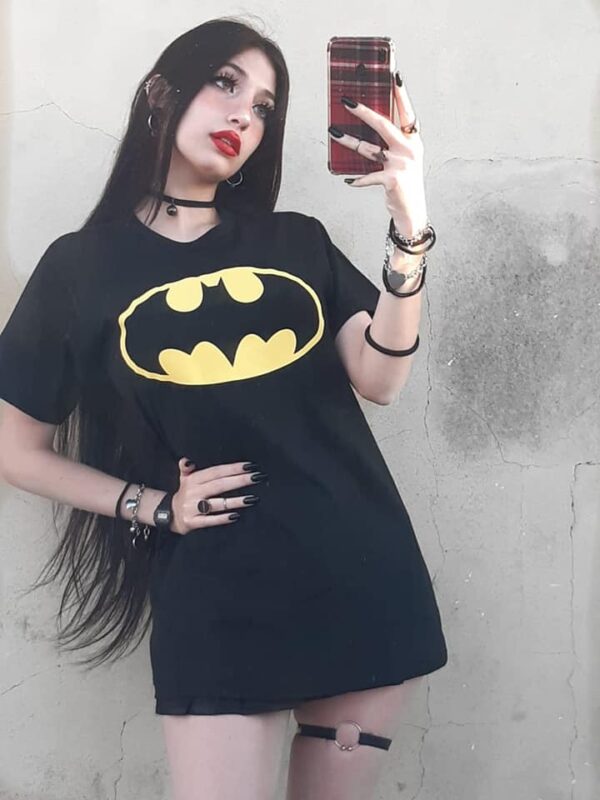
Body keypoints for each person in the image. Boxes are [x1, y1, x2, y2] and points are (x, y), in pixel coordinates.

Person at [0, 17, 447, 800]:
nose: (246, 114)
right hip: (215, 597)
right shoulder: (81, 268)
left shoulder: (295, 243)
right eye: (226, 84)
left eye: (265, 107)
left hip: (359, 575)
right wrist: (153, 505)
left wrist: (410, 229)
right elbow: (13, 448)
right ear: (160, 92)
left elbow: (380, 378)